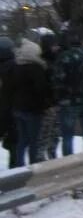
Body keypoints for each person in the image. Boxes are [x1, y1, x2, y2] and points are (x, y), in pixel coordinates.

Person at [9, 39, 53, 167]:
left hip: (17, 108)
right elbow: (41, 89)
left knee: (22, 140)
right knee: (34, 140)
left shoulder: (16, 67)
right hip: (32, 109)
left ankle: (19, 165)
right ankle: (34, 166)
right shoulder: (36, 68)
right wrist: (45, 104)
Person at [37, 30, 62, 160]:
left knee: (55, 134)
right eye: (54, 45)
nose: (57, 47)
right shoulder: (43, 63)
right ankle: (41, 159)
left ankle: (52, 155)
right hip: (48, 104)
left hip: (56, 102)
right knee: (45, 134)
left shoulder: (56, 60)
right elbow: (42, 86)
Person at [0, 37, 18, 168]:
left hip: (4, 108)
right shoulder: (17, 66)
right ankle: (14, 167)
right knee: (14, 142)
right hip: (13, 108)